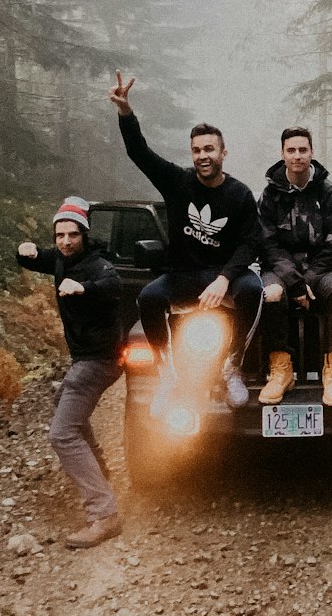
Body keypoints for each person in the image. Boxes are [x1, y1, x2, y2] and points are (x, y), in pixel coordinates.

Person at [108, 71, 263, 412]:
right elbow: (140, 153)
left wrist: (224, 279)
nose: (202, 155)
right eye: (196, 150)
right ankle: (168, 375)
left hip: (225, 274)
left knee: (254, 291)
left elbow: (251, 243)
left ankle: (232, 366)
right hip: (183, 275)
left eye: (209, 148)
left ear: (224, 152)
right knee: (148, 297)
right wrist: (125, 113)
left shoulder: (239, 194)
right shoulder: (178, 182)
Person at [16, 196, 125, 549]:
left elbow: (114, 286)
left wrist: (84, 289)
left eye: (72, 234)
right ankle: (99, 473)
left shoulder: (97, 266)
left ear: (84, 236)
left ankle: (104, 515)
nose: (65, 241)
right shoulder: (62, 260)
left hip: (101, 360)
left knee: (61, 434)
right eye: (59, 234)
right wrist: (25, 252)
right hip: (85, 359)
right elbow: (37, 260)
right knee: (64, 400)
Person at [257, 126, 332, 407]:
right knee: (272, 295)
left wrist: (307, 280)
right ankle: (281, 370)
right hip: (279, 270)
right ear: (282, 154)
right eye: (291, 150)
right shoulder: (269, 195)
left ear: (311, 153)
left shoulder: (329, 193)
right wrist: (294, 283)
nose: (297, 156)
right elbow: (268, 245)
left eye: (303, 150)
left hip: (320, 270)